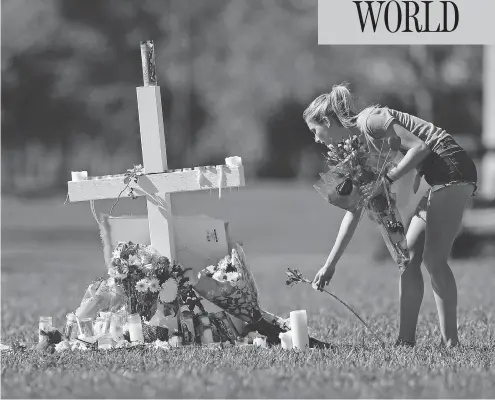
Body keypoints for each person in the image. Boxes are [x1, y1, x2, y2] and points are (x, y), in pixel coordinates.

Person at [304, 83, 478, 348]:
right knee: (407, 261)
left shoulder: (371, 120)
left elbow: (421, 147)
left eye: (315, 131)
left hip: (452, 169)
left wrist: (387, 177)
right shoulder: (357, 147)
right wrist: (330, 264)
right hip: (436, 177)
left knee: (434, 259)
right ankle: (405, 341)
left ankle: (451, 343)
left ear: (327, 121)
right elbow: (355, 210)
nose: (316, 139)